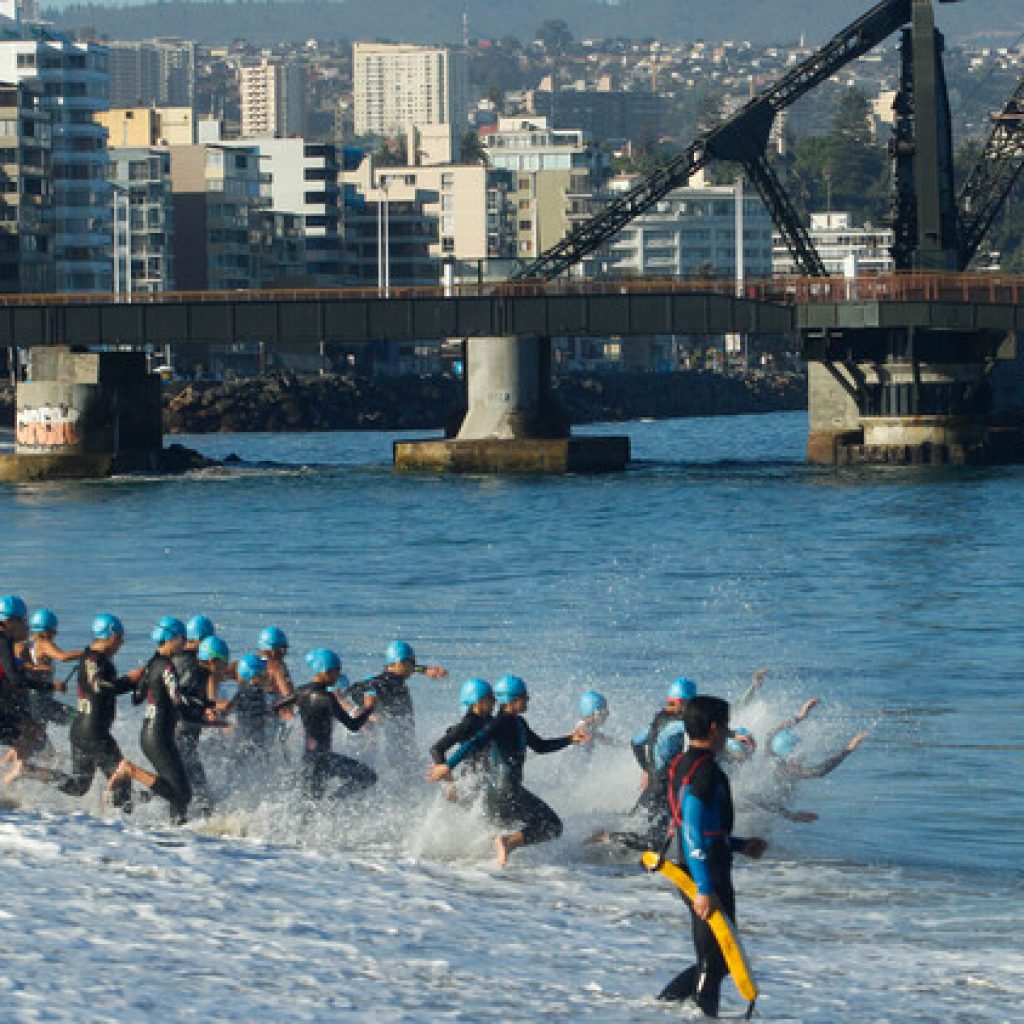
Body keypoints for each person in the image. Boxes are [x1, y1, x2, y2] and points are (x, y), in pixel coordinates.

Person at [655, 695, 767, 1018]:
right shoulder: (705, 773)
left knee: (718, 960)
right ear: (715, 728)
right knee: (713, 961)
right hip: (705, 873)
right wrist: (704, 887)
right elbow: (691, 828)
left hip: (699, 866)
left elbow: (704, 830)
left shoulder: (683, 762)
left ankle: (662, 1007)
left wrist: (740, 844)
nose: (729, 731)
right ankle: (700, 1015)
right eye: (727, 725)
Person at [427, 674, 588, 867]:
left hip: (500, 793)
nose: (528, 700)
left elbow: (540, 746)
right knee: (552, 825)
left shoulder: (519, 723)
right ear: (513, 700)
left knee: (522, 825)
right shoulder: (499, 722)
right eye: (525, 697)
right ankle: (506, 843)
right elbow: (473, 742)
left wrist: (569, 739)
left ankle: (477, 857)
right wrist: (448, 766)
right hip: (505, 792)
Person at [42, 614, 141, 806]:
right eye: (120, 637)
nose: (121, 643)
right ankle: (125, 826)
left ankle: (32, 772)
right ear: (111, 635)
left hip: (83, 730)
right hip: (93, 733)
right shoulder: (93, 658)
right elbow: (98, 688)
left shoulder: (96, 657)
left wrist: (131, 684)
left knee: (78, 786)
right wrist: (129, 681)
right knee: (122, 779)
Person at [107, 617, 193, 824]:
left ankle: (174, 828)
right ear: (170, 639)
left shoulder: (152, 664)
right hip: (158, 736)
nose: (185, 643)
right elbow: (177, 698)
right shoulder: (167, 667)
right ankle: (130, 770)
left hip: (151, 732)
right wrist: (203, 707)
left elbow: (137, 698)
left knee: (180, 793)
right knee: (180, 794)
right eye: (182, 638)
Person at [276, 648, 377, 801]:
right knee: (368, 776)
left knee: (309, 805)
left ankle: (328, 806)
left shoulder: (301, 692)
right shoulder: (327, 698)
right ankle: (333, 802)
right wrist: (369, 708)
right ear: (325, 671)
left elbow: (277, 707)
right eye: (337, 671)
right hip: (324, 759)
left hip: (308, 758)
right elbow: (353, 725)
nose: (338, 675)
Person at [347, 640, 448, 767]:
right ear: (400, 663)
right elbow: (355, 690)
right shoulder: (388, 682)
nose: (415, 666)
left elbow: (357, 689)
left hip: (403, 748)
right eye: (413, 662)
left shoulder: (393, 680)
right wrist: (370, 710)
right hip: (399, 751)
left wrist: (424, 670)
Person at [0, 594, 67, 781]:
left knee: (26, 733)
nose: (26, 626)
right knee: (31, 730)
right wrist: (49, 685)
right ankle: (13, 775)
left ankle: (11, 776)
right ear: (8, 621)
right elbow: (16, 679)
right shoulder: (3, 640)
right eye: (22, 620)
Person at [19, 607, 83, 740]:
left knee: (34, 747)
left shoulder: (25, 643)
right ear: (48, 630)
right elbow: (62, 656)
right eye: (54, 631)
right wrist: (91, 652)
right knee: (81, 720)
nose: (55, 634)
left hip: (30, 701)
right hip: (42, 702)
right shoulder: (43, 643)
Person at [427, 678, 495, 802]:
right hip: (472, 781)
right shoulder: (468, 723)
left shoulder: (489, 720)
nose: (494, 701)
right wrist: (449, 783)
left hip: (489, 779)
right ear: (478, 701)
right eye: (490, 698)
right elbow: (436, 749)